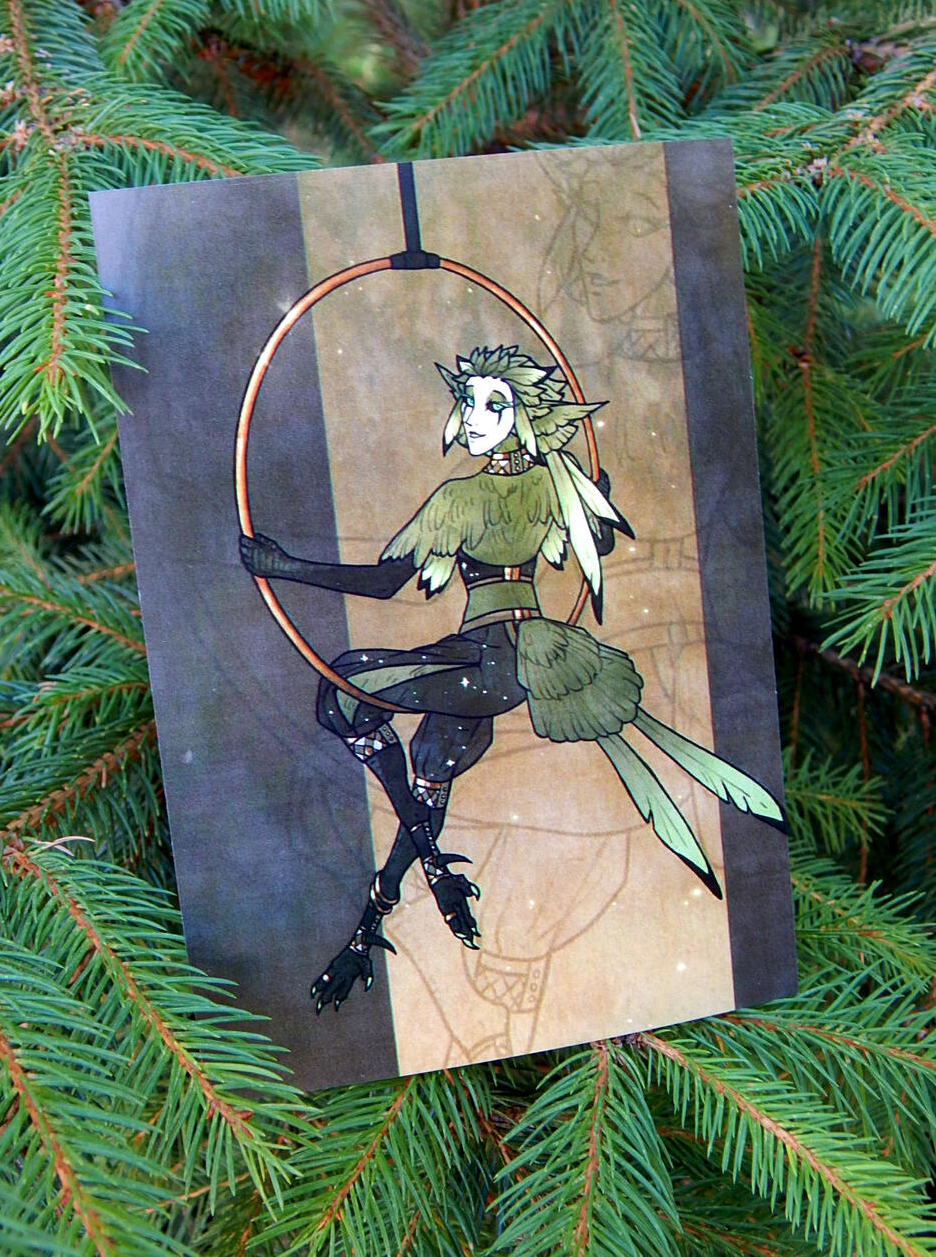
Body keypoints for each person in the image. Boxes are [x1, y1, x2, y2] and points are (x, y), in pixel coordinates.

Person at [240, 344, 784, 1013]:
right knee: (432, 763)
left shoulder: (465, 497)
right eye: (468, 402)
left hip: (493, 660)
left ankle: (434, 868)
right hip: (489, 657)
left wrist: (284, 567)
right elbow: (596, 543)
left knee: (345, 689)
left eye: (494, 405)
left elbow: (385, 582)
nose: (474, 417)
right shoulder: (556, 486)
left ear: (527, 416)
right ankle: (371, 927)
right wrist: (595, 498)